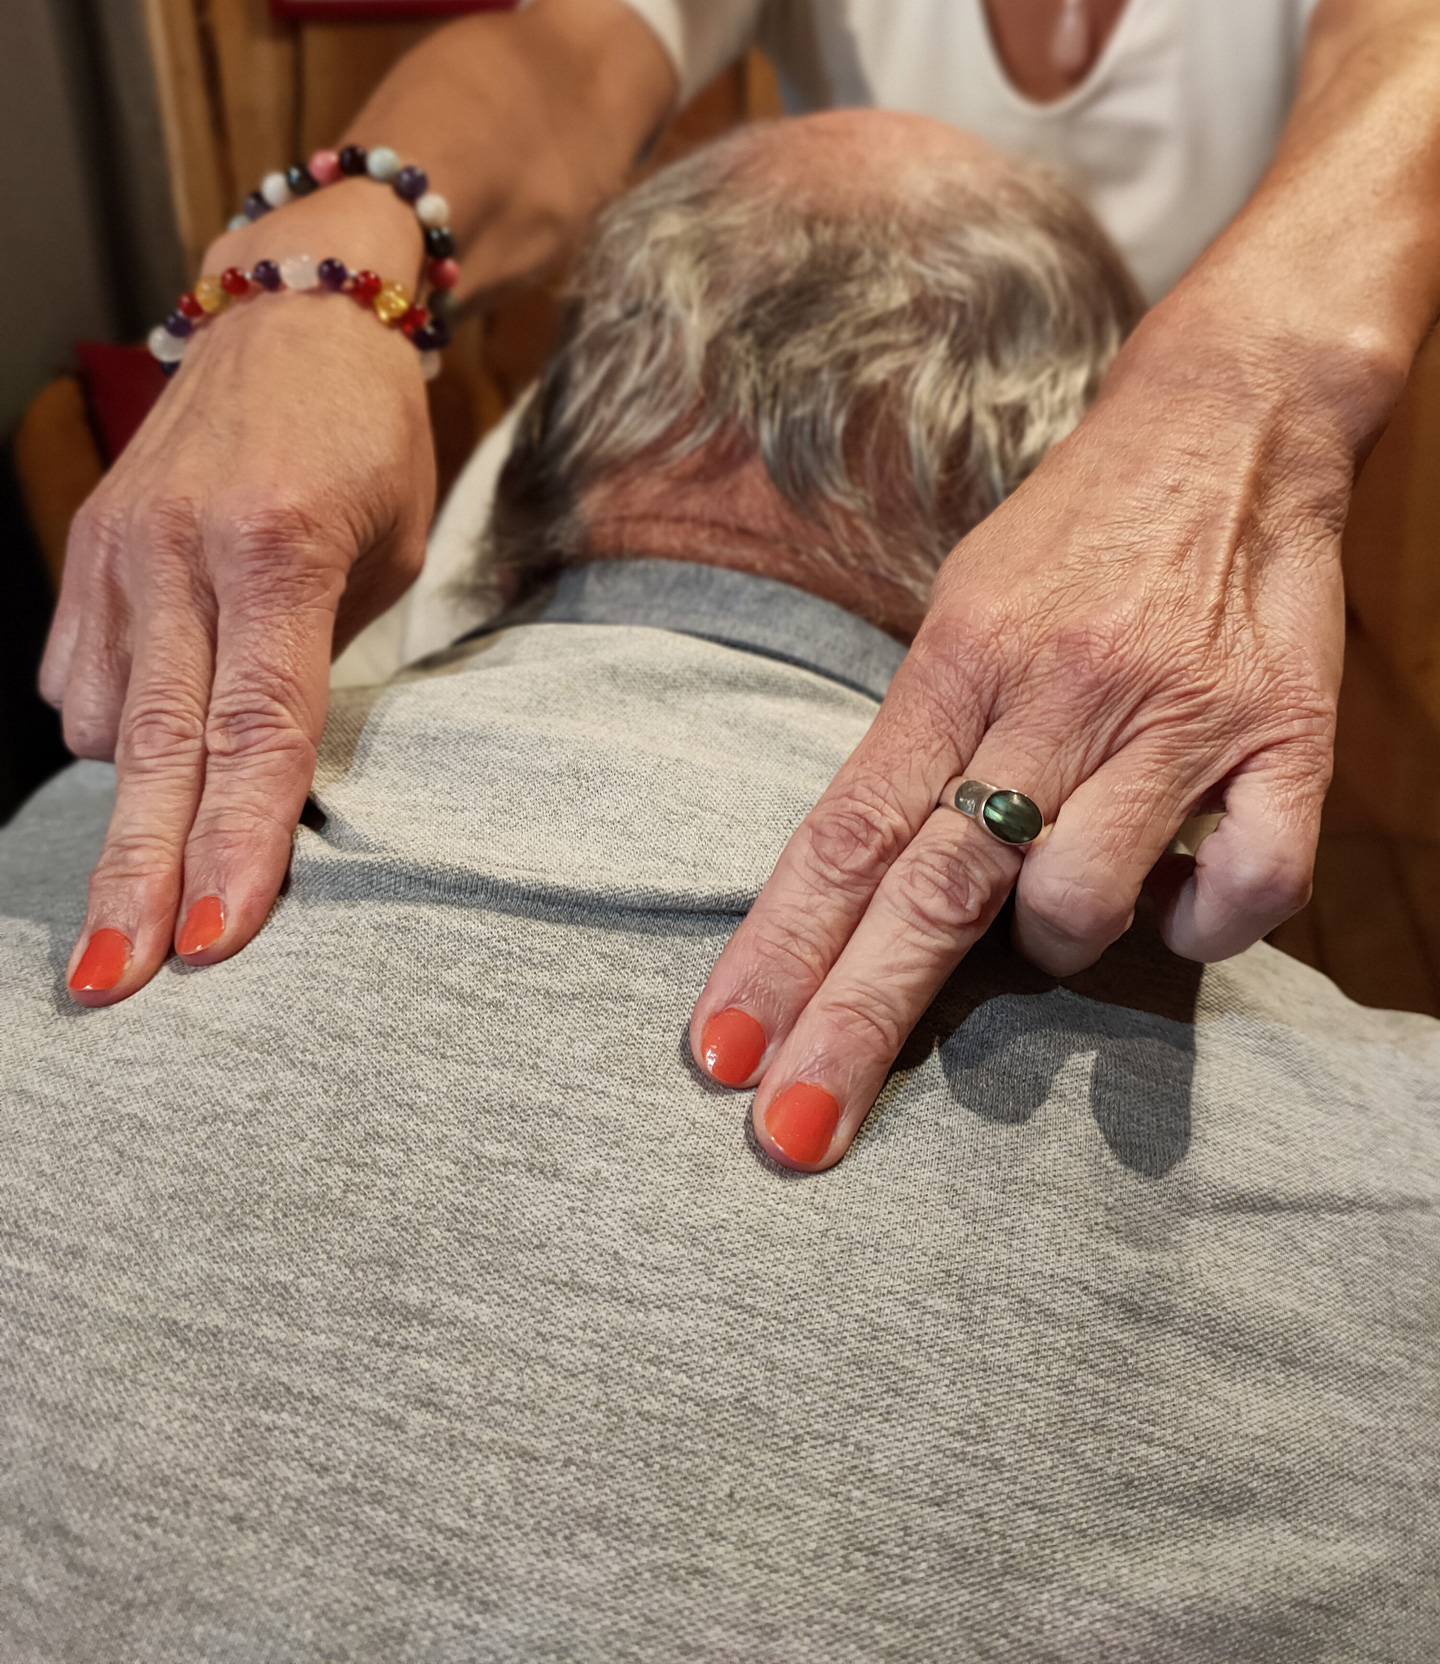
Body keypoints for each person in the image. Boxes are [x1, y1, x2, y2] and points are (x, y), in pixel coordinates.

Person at [5, 115, 1438, 1661]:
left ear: (546, 443)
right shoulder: (1391, 1182)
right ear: (1084, 500)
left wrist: (306, 265)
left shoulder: (62, 859)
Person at [40, 0, 1440, 1175]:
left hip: (1136, 489)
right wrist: (326, 262)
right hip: (831, 433)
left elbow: (1415, 42)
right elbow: (569, 56)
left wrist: (1229, 402)